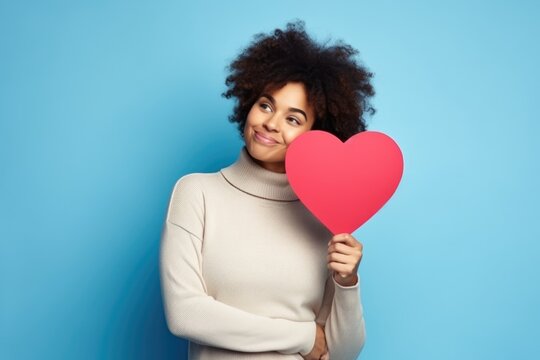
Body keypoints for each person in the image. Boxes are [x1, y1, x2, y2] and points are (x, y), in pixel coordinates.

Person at [159, 19, 375, 360]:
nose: (271, 124)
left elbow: (341, 354)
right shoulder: (196, 193)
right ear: (248, 104)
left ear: (317, 134)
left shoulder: (323, 218)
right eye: (266, 105)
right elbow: (184, 312)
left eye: (294, 119)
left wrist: (347, 283)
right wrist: (302, 337)